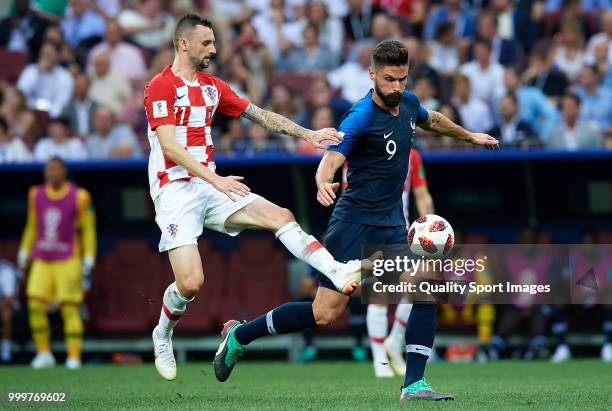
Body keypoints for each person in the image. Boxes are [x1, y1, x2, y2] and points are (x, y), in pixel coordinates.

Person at [214, 39, 498, 402]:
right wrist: (321, 180)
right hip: (353, 224)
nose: (397, 87)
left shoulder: (408, 104)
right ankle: (240, 336)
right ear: (373, 74)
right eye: (390, 80)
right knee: (324, 313)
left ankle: (413, 384)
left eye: (402, 79)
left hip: (393, 225)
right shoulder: (361, 116)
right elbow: (332, 158)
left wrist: (469, 136)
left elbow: (433, 120)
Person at [144, 14, 362, 382]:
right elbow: (168, 146)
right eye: (206, 43)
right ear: (184, 44)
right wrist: (217, 179)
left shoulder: (213, 87)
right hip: (175, 190)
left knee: (281, 215)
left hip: (211, 185)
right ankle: (162, 333)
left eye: (214, 42)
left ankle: (335, 270)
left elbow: (259, 116)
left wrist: (307, 134)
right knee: (191, 284)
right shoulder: (160, 86)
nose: (214, 49)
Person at [17, 157, 96, 369]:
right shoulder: (35, 194)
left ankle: (73, 355)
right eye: (47, 169)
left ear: (64, 172)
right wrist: (24, 252)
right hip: (42, 256)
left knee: (69, 307)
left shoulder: (80, 196)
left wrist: (89, 258)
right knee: (34, 304)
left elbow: (88, 230)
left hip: (68, 257)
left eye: (55, 169)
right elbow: (32, 225)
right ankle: (43, 353)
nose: (50, 173)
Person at [365, 147, 435, 378]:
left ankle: (394, 341)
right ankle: (379, 361)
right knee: (379, 294)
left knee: (420, 286)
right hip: (372, 230)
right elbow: (350, 194)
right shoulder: (362, 151)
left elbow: (422, 195)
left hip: (402, 232)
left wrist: (431, 228)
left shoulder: (412, 155)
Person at [0, 259, 21, 363]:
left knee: (6, 315)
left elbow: (9, 298)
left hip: (7, 306)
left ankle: (5, 354)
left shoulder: (6, 269)